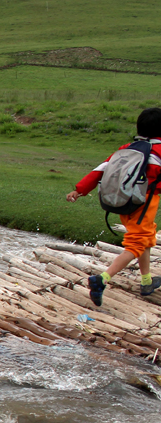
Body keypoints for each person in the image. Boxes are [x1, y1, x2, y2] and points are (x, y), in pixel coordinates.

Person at [67, 107, 161, 306]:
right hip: (144, 202)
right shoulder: (160, 151)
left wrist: (80, 189)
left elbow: (101, 169)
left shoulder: (128, 148)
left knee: (145, 236)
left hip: (124, 201)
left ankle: (146, 281)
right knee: (137, 243)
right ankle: (101, 279)